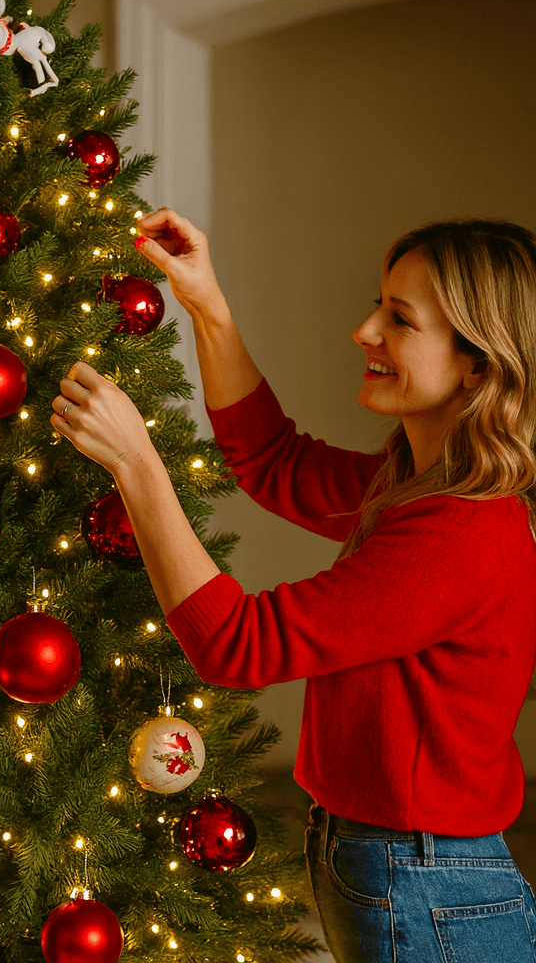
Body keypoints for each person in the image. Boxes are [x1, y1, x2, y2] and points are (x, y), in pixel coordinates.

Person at [51, 207, 536, 962]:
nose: (365, 333)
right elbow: (273, 461)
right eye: (377, 306)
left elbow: (238, 646)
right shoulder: (414, 483)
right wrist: (207, 306)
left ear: (478, 364)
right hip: (390, 860)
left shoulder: (461, 530)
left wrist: (137, 466)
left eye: (399, 320)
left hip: (430, 884)